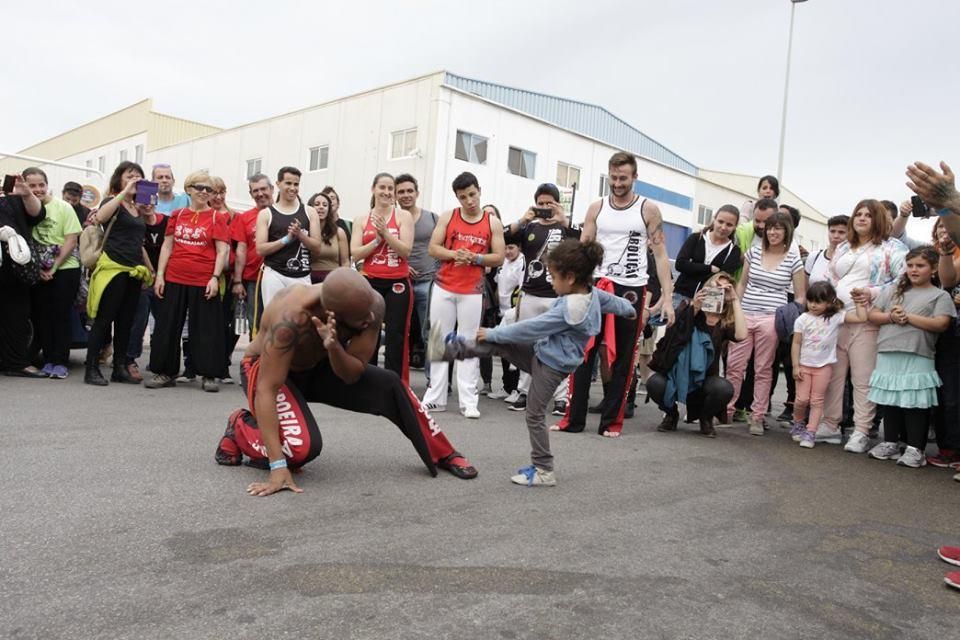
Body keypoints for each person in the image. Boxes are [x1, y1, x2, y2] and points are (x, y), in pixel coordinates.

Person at [215, 267, 478, 497]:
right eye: (361, 320)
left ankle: (444, 452)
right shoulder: (289, 318)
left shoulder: (371, 306)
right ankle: (240, 425)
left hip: (318, 365)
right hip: (264, 371)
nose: (372, 321)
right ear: (333, 313)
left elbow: (352, 373)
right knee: (300, 450)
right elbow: (267, 389)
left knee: (391, 384)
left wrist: (334, 348)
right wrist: (277, 467)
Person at [434, 239, 636, 486]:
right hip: (542, 354)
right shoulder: (591, 293)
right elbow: (614, 303)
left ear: (570, 277)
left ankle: (544, 470)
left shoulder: (571, 308)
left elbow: (532, 328)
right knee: (502, 346)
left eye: (553, 276)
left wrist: (493, 332)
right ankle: (453, 350)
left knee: (534, 413)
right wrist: (630, 309)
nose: (550, 281)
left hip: (551, 368)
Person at [555, 152, 675, 438]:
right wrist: (570, 286)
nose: (618, 183)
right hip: (596, 285)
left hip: (631, 289)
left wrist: (667, 298)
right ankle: (574, 420)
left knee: (622, 358)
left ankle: (610, 423)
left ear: (634, 177)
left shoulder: (648, 210)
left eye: (624, 178)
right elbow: (583, 250)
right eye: (614, 177)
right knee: (584, 352)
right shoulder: (596, 208)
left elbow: (660, 256)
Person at [817, 200, 907, 452]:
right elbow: (830, 277)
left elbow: (902, 279)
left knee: (862, 378)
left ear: (878, 219)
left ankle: (861, 430)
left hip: (867, 319)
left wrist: (873, 292)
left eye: (868, 215)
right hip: (836, 318)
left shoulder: (892, 247)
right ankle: (830, 425)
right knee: (833, 376)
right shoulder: (844, 246)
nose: (862, 218)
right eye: (858, 214)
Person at [420, 172, 505, 418]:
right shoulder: (449, 216)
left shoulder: (492, 222)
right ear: (457, 197)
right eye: (463, 197)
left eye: (472, 194)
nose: (469, 200)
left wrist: (476, 258)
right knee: (439, 341)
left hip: (472, 290)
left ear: (479, 190)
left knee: (468, 342)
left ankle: (468, 400)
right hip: (444, 287)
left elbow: (498, 256)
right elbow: (433, 248)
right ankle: (435, 397)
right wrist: (455, 254)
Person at [865, 246, 955, 467]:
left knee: (915, 403)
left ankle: (916, 449)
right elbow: (872, 315)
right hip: (888, 351)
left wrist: (909, 317)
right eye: (911, 265)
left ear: (933, 269)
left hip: (918, 353)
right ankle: (890, 443)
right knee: (891, 400)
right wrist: (890, 316)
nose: (914, 270)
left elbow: (941, 323)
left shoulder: (940, 295)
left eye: (920, 266)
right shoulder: (893, 291)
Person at [144, 171, 230, 392]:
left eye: (208, 189)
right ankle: (165, 372)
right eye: (199, 187)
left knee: (206, 329)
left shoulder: (216, 217)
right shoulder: (177, 214)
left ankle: (209, 374)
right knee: (167, 325)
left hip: (203, 279)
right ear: (189, 188)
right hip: (175, 277)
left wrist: (214, 277)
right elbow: (167, 245)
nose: (203, 192)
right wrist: (160, 275)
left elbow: (222, 251)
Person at [502, 183, 581, 414]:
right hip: (529, 294)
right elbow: (504, 236)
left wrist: (563, 219)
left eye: (549, 203)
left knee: (558, 347)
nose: (545, 208)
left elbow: (585, 240)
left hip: (558, 296)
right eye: (541, 203)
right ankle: (524, 392)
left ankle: (560, 398)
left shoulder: (566, 227)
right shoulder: (529, 227)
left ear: (557, 203)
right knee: (527, 345)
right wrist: (524, 219)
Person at [726, 212, 806, 435]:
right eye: (770, 228)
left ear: (787, 231)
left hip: (771, 317)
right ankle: (727, 409)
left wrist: (788, 317)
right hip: (746, 313)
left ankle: (757, 416)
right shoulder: (754, 251)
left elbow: (800, 296)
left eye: (778, 228)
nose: (772, 232)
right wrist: (736, 309)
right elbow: (742, 283)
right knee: (734, 364)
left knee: (763, 368)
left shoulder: (793, 257)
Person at [647, 272, 746, 437]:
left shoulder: (723, 321)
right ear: (707, 288)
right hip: (677, 374)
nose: (719, 291)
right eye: (716, 287)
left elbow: (742, 335)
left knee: (724, 389)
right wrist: (695, 308)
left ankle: (705, 419)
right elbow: (672, 336)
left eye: (724, 289)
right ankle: (671, 414)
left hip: (705, 378)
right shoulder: (687, 308)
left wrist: (734, 299)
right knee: (654, 383)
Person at [83, 162, 155, 386]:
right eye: (129, 176)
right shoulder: (112, 201)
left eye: (138, 177)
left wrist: (149, 266)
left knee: (125, 322)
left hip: (134, 270)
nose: (134, 179)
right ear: (119, 180)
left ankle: (119, 368)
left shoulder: (137, 208)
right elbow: (101, 217)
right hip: (113, 268)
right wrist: (124, 192)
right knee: (104, 320)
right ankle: (91, 368)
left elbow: (138, 240)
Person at [351, 173, 415, 383]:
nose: (387, 192)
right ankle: (369, 381)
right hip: (371, 280)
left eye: (390, 189)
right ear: (373, 189)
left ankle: (395, 383)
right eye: (383, 188)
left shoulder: (403, 216)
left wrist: (387, 234)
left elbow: (406, 251)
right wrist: (377, 240)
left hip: (397, 281)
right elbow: (355, 253)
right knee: (370, 332)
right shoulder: (362, 219)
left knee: (396, 334)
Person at [788, 281, 868, 448]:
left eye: (818, 302)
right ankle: (798, 423)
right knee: (801, 399)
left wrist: (859, 301)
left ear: (830, 302)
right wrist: (795, 365)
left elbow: (861, 318)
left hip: (824, 367)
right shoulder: (802, 319)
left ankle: (811, 432)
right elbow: (796, 343)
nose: (813, 305)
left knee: (817, 401)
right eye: (810, 301)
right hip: (804, 365)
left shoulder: (835, 317)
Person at [22, 168, 82, 379]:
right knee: (42, 316)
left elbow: (71, 239)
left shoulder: (63, 207)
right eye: (32, 185)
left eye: (41, 185)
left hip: (65, 268)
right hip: (36, 269)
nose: (37, 189)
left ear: (47, 185)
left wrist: (54, 266)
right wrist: (38, 268)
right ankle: (48, 359)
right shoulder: (25, 209)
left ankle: (60, 361)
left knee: (61, 315)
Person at [256, 167, 321, 308]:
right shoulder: (266, 214)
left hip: (301, 275)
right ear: (278, 184)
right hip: (274, 274)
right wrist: (286, 239)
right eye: (288, 183)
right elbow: (260, 249)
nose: (292, 188)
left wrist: (300, 235)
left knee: (301, 321)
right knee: (275, 321)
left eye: (296, 184)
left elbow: (317, 247)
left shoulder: (310, 212)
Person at [0, 174, 46, 377]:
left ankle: (16, 362)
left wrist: (26, 192)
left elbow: (38, 214)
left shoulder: (13, 198)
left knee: (17, 315)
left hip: (15, 264)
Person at [396, 174, 438, 380]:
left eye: (409, 191)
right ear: (395, 195)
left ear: (417, 193)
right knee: (398, 334)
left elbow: (442, 248)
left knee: (430, 334)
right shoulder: (391, 219)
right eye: (401, 191)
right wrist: (403, 267)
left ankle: (436, 384)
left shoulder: (432, 218)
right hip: (398, 283)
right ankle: (397, 381)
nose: (405, 195)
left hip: (428, 283)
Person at [929, 219, 960, 468]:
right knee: (946, 392)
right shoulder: (944, 251)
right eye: (941, 224)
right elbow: (948, 281)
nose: (944, 229)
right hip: (950, 330)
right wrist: (946, 252)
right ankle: (948, 448)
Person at [230, 173, 273, 335]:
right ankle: (256, 359)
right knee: (256, 324)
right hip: (253, 280)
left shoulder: (283, 213)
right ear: (251, 194)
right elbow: (240, 250)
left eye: (263, 189)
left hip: (280, 276)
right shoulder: (244, 218)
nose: (260, 194)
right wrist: (238, 281)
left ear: (272, 189)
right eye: (255, 191)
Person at [674, 204, 742, 306]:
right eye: (720, 221)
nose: (723, 227)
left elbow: (722, 278)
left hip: (709, 301)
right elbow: (680, 264)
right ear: (714, 220)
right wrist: (709, 268)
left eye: (729, 225)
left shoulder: (734, 251)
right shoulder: (696, 238)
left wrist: (692, 266)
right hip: (681, 296)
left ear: (735, 227)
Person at [487, 235, 525, 400]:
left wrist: (517, 312)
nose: (508, 252)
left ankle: (517, 389)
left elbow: (523, 289)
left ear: (519, 248)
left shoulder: (523, 263)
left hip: (514, 312)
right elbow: (498, 286)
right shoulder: (502, 263)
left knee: (516, 353)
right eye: (505, 248)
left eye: (511, 248)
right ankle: (507, 386)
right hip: (501, 311)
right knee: (504, 351)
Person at [306, 192, 348, 283]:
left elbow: (345, 262)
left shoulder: (338, 232)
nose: (321, 207)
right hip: (307, 279)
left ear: (329, 210)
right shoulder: (304, 232)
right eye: (317, 204)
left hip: (332, 280)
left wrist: (343, 279)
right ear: (310, 208)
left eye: (325, 205)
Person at [806, 215, 849, 284]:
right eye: (832, 231)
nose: (836, 236)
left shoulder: (852, 260)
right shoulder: (814, 257)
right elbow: (805, 289)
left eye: (841, 232)